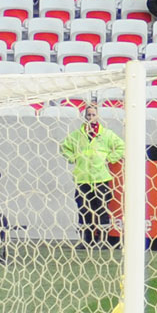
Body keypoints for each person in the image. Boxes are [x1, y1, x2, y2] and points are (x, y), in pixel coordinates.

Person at [60, 104, 125, 249]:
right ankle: (87, 240)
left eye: (93, 115)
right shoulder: (77, 134)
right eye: (88, 115)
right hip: (83, 178)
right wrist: (73, 158)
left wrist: (110, 158)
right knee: (84, 210)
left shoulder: (106, 134)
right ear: (85, 117)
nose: (91, 117)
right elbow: (64, 147)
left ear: (98, 116)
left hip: (101, 178)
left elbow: (122, 146)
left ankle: (103, 240)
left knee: (102, 209)